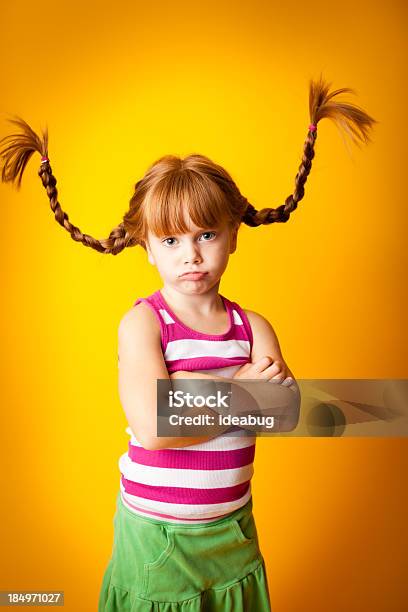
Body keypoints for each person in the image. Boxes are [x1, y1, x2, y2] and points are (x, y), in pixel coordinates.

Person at [0, 75, 376, 611]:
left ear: (234, 234)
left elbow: (286, 412)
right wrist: (240, 393)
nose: (191, 254)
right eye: (171, 240)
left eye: (206, 234)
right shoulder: (144, 325)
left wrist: (194, 394)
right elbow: (155, 426)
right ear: (146, 248)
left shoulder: (253, 329)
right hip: (159, 539)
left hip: (233, 535)